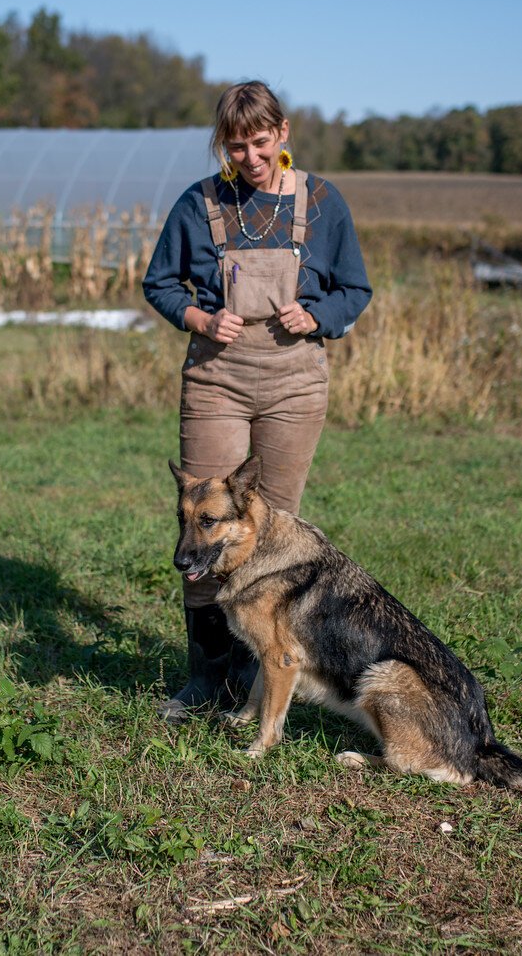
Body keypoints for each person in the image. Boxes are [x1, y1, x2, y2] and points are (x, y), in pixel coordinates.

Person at [143, 80, 372, 720]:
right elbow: (157, 283)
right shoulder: (200, 204)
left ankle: (257, 677)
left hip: (295, 383)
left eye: (261, 142)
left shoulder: (322, 202)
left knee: (271, 532)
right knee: (202, 521)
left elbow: (356, 289)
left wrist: (319, 314)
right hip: (216, 378)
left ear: (284, 134)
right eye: (237, 145)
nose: (250, 156)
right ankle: (204, 680)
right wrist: (196, 317)